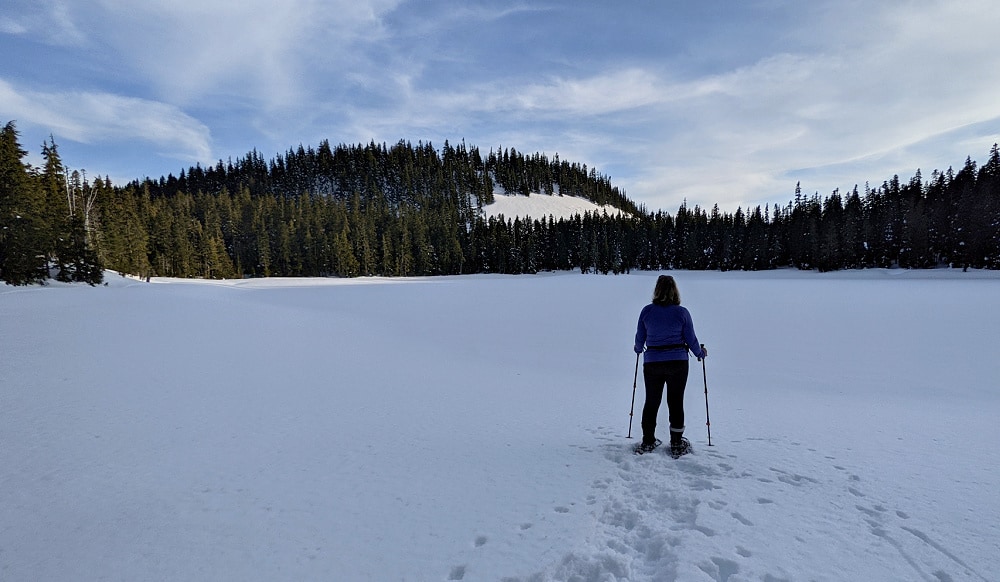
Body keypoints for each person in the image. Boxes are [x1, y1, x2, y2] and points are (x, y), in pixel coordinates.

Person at [633, 275, 707, 456]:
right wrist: (700, 353)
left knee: (651, 401)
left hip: (652, 362)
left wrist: (637, 348)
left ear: (657, 290)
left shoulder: (647, 311)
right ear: (675, 290)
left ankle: (648, 441)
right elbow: (691, 339)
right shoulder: (682, 313)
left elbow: (639, 338)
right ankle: (676, 443)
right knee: (675, 401)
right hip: (678, 362)